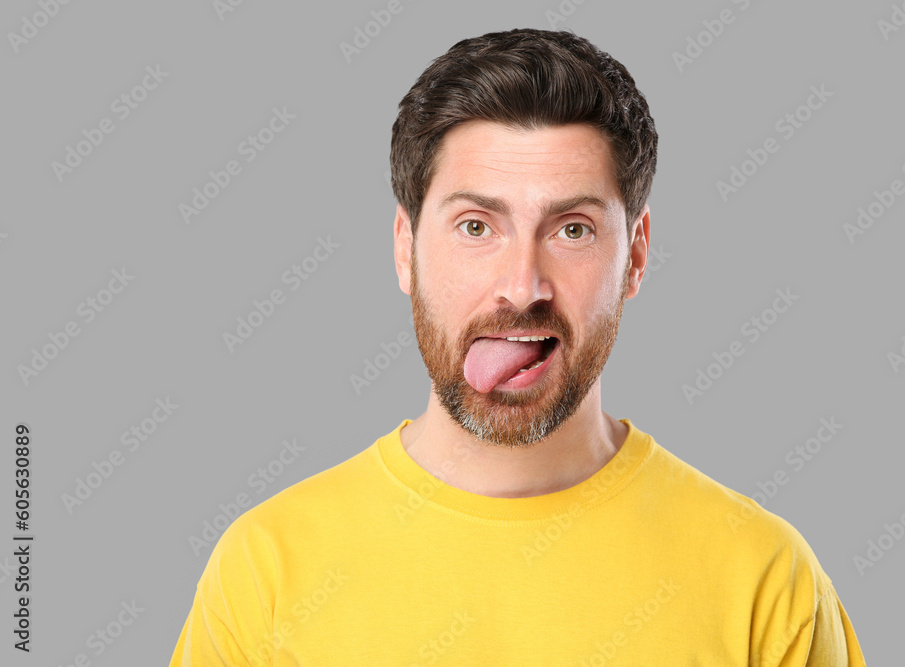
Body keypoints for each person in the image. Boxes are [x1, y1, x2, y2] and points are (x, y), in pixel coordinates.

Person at [169, 28, 867, 665]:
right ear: (406, 248)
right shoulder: (266, 572)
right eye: (477, 226)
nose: (522, 286)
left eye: (572, 230)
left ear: (637, 255)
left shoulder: (765, 583)